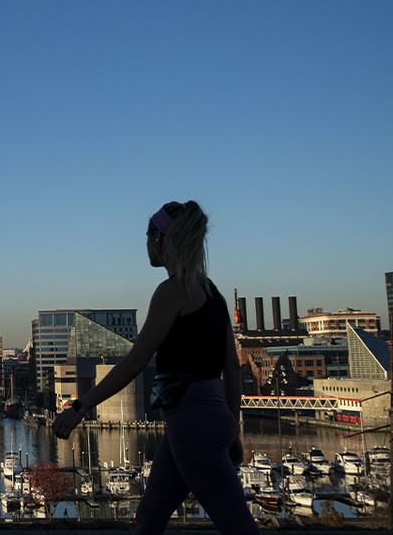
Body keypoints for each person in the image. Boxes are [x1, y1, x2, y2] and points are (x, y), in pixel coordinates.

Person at [52, 201, 258, 534]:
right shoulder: (213, 293)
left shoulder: (172, 291)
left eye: (148, 237)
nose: (146, 244)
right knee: (148, 520)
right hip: (208, 418)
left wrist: (80, 407)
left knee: (239, 528)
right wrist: (232, 428)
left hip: (192, 423)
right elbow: (232, 368)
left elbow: (136, 361)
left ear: (160, 239)